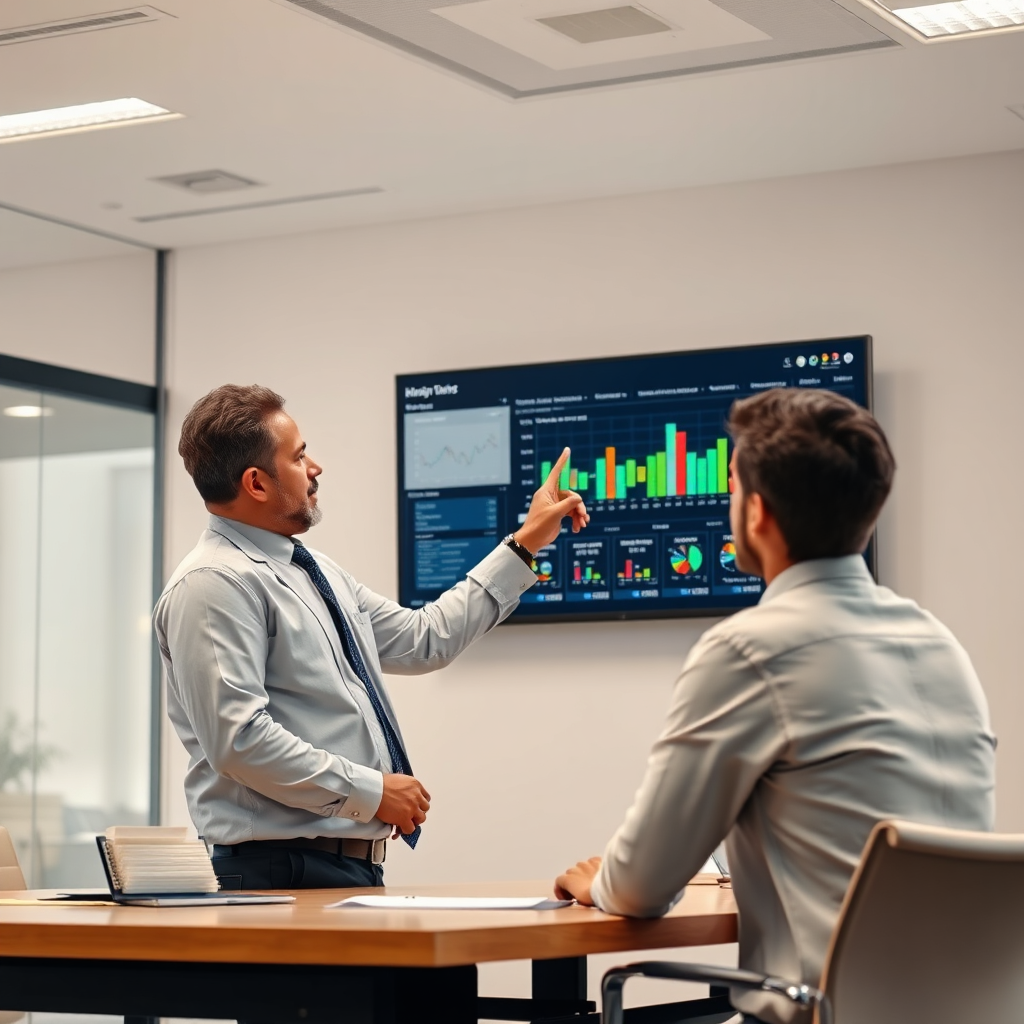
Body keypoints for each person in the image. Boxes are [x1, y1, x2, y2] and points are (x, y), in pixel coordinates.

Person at [554, 388, 995, 1024]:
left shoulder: (751, 650)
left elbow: (641, 886)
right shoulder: (940, 644)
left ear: (756, 512)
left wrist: (599, 880)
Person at [155, 383, 588, 890]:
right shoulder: (213, 584)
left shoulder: (312, 571)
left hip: (341, 867)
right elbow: (240, 742)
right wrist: (372, 792)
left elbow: (424, 638)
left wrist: (526, 541)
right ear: (256, 483)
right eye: (298, 457)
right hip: (276, 873)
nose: (316, 467)